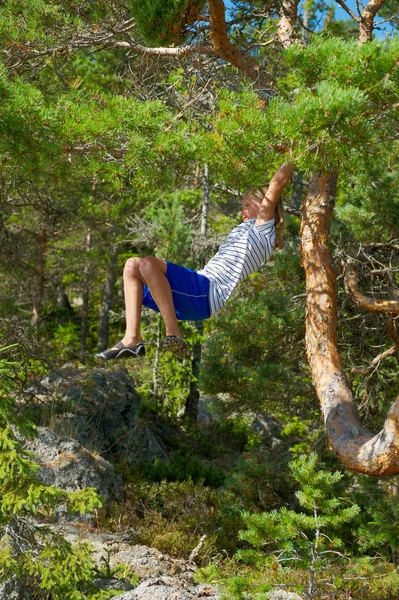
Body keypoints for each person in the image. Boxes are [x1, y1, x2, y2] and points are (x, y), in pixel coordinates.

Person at [96, 162, 293, 360]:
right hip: (193, 295)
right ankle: (132, 338)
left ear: (265, 203)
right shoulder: (251, 229)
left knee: (148, 263)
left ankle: (173, 333)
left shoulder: (262, 230)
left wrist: (295, 152)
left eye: (247, 205)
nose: (242, 211)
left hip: (206, 292)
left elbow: (277, 183)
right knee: (132, 265)